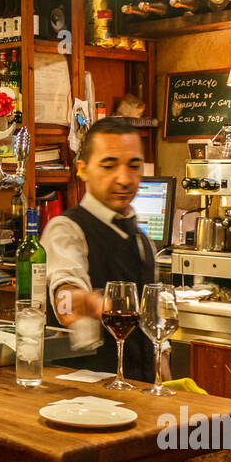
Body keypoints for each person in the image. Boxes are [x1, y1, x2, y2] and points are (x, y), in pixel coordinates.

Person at [41, 117, 157, 379]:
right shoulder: (67, 229)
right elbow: (65, 299)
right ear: (82, 169)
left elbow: (153, 335)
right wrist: (93, 302)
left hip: (140, 392)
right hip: (86, 396)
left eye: (134, 166)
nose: (124, 179)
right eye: (109, 165)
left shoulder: (141, 238)